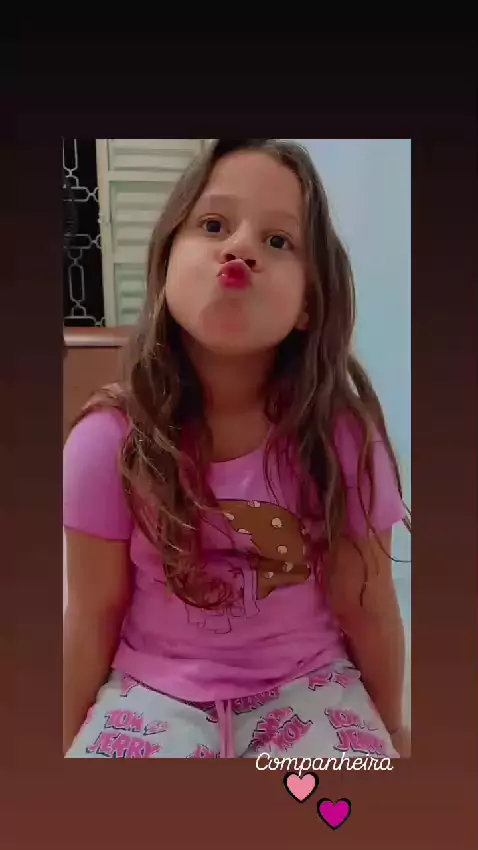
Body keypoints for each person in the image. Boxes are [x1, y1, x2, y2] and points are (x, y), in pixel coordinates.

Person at [63, 139, 411, 759]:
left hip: (311, 684)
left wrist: (396, 732)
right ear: (167, 261)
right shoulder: (105, 442)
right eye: (213, 225)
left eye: (278, 240)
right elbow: (92, 614)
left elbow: (369, 605)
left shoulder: (344, 441)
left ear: (309, 304)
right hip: (150, 690)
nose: (240, 248)